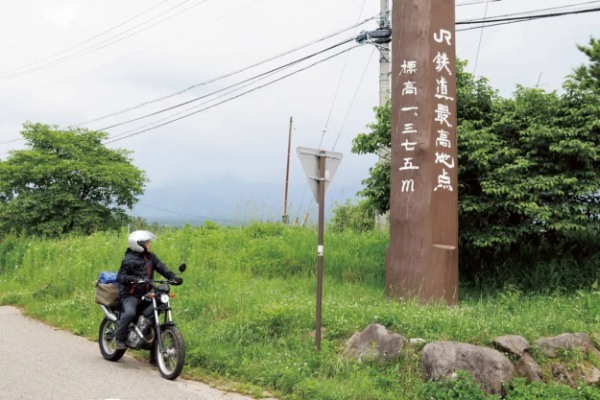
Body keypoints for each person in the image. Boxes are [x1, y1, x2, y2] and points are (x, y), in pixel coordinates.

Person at [114, 230, 183, 350]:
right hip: (131, 295)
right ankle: (119, 337)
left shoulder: (151, 257)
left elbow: (162, 268)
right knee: (130, 313)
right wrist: (132, 278)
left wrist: (173, 277)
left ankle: (154, 351)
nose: (149, 244)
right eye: (147, 242)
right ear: (138, 244)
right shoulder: (129, 259)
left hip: (146, 293)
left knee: (160, 304)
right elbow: (120, 277)